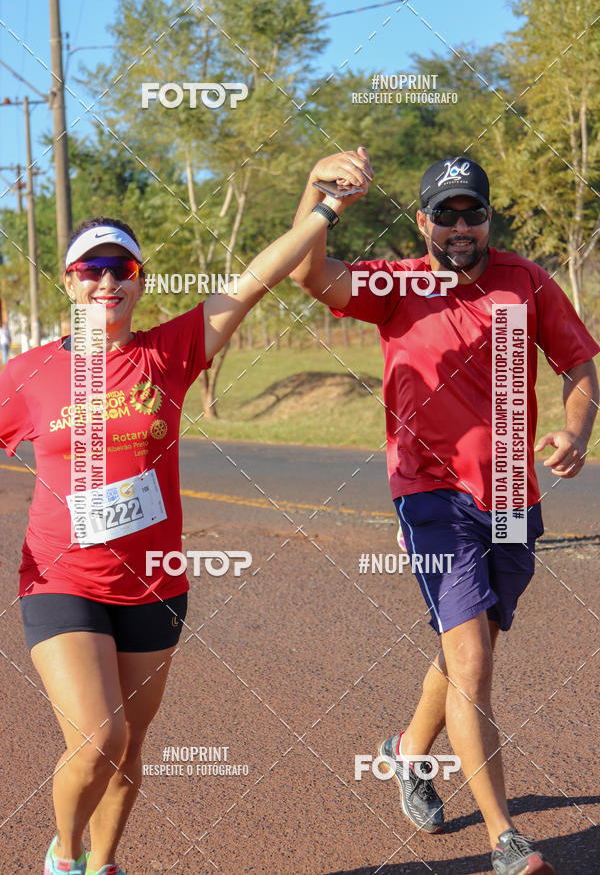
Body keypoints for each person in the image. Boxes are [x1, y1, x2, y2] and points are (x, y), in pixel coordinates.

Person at [0, 196, 348, 875]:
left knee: (129, 748)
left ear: (140, 280)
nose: (107, 282)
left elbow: (254, 280)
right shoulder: (27, 375)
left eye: (120, 267)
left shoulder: (168, 352)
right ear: (69, 282)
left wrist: (325, 208)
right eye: (90, 269)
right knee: (100, 737)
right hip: (60, 580)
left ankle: (104, 864)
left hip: (154, 583)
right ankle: (63, 859)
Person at [290, 150, 599, 875]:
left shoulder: (525, 281)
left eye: (474, 212)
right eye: (446, 213)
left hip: (513, 498)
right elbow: (309, 273)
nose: (461, 227)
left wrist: (577, 430)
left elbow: (580, 363)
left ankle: (406, 751)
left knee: (471, 648)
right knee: (471, 659)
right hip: (429, 494)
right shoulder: (396, 284)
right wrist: (317, 192)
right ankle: (504, 838)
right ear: (422, 219)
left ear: (490, 217)